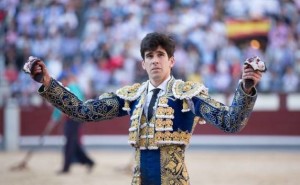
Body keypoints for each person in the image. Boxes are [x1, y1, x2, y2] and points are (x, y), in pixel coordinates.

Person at [28, 32, 262, 184]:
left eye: (161, 55)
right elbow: (82, 112)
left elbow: (230, 122)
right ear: (143, 63)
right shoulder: (132, 96)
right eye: (149, 56)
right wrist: (49, 84)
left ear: (171, 61)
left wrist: (246, 88)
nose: (155, 60)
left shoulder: (188, 94)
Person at [45, 72, 95, 174]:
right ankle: (88, 162)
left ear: (65, 80)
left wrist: (54, 120)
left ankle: (66, 168)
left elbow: (76, 103)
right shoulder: (70, 88)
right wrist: (54, 120)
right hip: (73, 119)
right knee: (73, 143)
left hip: (74, 119)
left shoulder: (72, 87)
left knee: (69, 143)